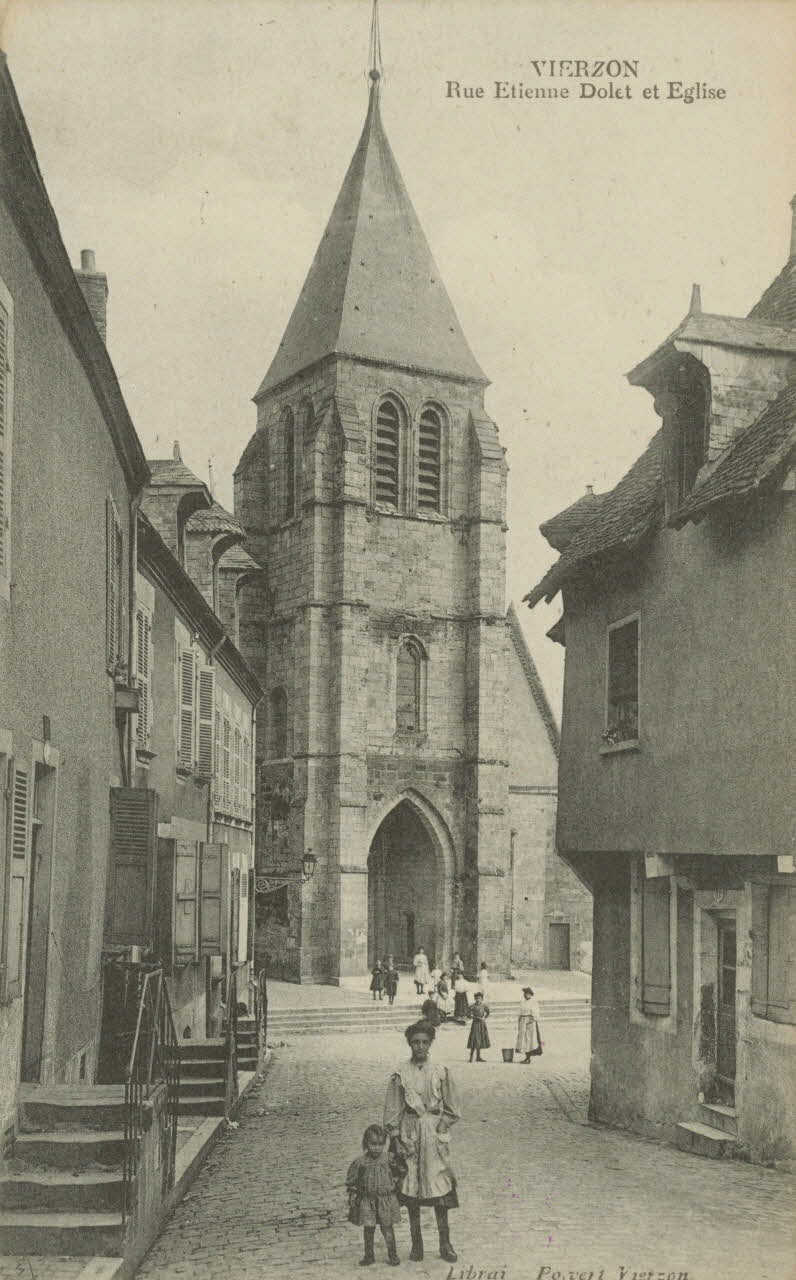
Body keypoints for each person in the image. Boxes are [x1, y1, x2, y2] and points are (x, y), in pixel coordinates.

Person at [384, 1020, 460, 1263]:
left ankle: (445, 1243)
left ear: (430, 1043)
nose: (420, 1047)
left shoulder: (440, 1070)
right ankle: (417, 1244)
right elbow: (393, 1109)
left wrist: (442, 1125)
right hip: (409, 1134)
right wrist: (396, 1140)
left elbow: (452, 1107)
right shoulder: (400, 1073)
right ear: (409, 1043)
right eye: (415, 1042)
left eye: (424, 1042)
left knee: (439, 1189)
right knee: (412, 1189)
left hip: (433, 1136)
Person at [346, 1123, 401, 1267]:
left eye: (380, 1144)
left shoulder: (388, 1159)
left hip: (385, 1200)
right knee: (369, 1228)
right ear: (366, 1143)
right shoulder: (360, 1163)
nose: (376, 1148)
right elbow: (353, 1181)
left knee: (387, 1227)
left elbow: (398, 1172)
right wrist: (353, 1195)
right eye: (373, 1144)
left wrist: (394, 1184)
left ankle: (393, 1254)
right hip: (368, 1200)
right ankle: (369, 1255)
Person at [515, 986, 542, 1063]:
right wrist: (519, 1021)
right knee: (523, 1040)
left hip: (530, 1021)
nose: (525, 995)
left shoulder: (534, 1002)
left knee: (529, 1040)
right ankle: (526, 1057)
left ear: (530, 994)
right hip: (523, 1021)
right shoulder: (522, 1002)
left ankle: (528, 1057)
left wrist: (532, 1020)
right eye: (525, 994)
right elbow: (520, 1012)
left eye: (527, 994)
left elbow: (535, 1013)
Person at [466, 990, 490, 1062]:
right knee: (474, 1040)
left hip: (482, 1024)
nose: (478, 999)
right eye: (477, 998)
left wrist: (484, 1017)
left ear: (482, 999)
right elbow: (468, 1014)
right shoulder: (473, 1006)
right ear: (475, 999)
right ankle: (471, 1057)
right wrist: (473, 1017)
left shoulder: (483, 1006)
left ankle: (478, 1057)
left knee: (480, 1040)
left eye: (479, 998)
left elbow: (488, 1012)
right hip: (475, 1024)